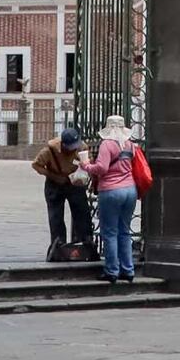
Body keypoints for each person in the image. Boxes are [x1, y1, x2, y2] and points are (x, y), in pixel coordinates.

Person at [80, 115, 137, 284]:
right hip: (130, 190)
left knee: (110, 232)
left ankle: (112, 270)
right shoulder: (130, 144)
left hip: (111, 191)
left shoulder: (107, 144)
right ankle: (128, 270)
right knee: (125, 231)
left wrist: (86, 166)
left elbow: (102, 168)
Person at [32, 128, 93, 253]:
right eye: (70, 147)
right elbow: (36, 165)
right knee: (56, 215)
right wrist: (52, 176)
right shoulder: (49, 151)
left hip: (75, 183)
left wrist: (84, 171)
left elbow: (89, 161)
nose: (73, 149)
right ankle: (58, 244)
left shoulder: (82, 147)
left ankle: (85, 242)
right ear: (63, 144)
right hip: (55, 183)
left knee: (82, 212)